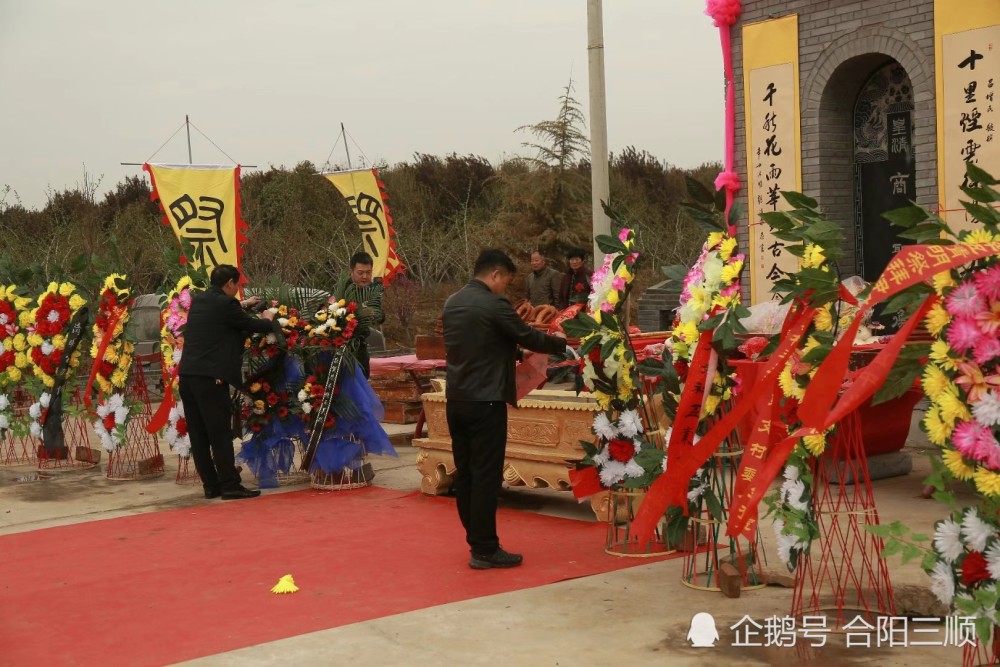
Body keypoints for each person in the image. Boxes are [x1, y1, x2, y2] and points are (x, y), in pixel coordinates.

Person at [443, 249, 567, 570]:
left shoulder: (452, 302)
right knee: (486, 475)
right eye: (506, 282)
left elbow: (481, 344)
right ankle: (485, 549)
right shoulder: (494, 303)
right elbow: (525, 334)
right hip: (486, 402)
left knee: (466, 474)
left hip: (456, 400)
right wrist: (561, 343)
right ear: (496, 274)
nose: (505, 290)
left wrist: (509, 352)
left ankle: (476, 539)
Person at [179, 264, 277, 500]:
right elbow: (252, 325)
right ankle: (230, 485)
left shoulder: (200, 300)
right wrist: (269, 318)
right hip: (211, 378)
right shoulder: (226, 304)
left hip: (188, 376)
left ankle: (211, 486)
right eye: (237, 285)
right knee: (219, 433)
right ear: (230, 284)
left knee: (199, 434)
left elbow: (222, 316)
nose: (238, 290)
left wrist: (243, 305)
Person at [335, 251, 385, 378]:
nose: (364, 276)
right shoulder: (342, 289)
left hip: (361, 345)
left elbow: (380, 315)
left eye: (368, 272)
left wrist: (375, 315)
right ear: (351, 271)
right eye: (360, 272)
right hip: (341, 347)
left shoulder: (373, 290)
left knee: (363, 379)